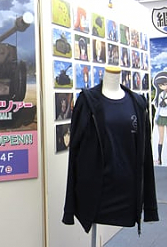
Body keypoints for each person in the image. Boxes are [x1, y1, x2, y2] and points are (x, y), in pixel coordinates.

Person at [62, 66, 158, 234]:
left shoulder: (137, 103)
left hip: (128, 194)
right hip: (96, 195)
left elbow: (146, 156)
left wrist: (150, 208)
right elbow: (74, 155)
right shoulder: (87, 101)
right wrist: (69, 210)